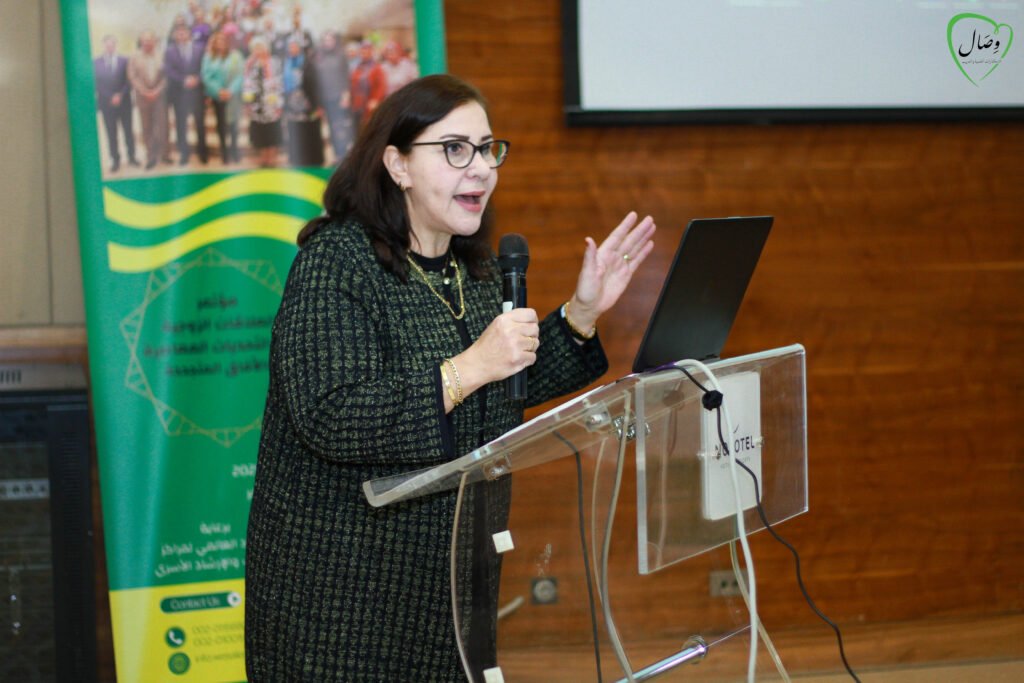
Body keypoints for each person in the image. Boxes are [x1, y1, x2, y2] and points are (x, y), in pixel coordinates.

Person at [244, 74, 656, 681]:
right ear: (398, 165)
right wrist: (471, 366)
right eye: (455, 149)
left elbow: (503, 389)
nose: (482, 168)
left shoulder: (473, 271)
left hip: (449, 592)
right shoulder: (336, 262)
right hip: (341, 599)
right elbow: (331, 416)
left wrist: (581, 315)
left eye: (487, 149)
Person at [165, 23, 209, 165]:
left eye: (184, 32)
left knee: (200, 124)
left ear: (189, 34)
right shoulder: (169, 51)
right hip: (179, 94)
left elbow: (205, 68)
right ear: (174, 35)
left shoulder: (200, 49)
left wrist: (197, 79)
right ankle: (184, 154)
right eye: (178, 33)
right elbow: (169, 70)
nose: (181, 35)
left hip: (197, 93)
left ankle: (203, 153)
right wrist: (184, 80)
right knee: (181, 125)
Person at [94, 35, 139, 173]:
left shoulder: (124, 61)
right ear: (103, 45)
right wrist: (110, 96)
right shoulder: (95, 63)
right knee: (111, 133)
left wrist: (120, 95)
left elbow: (130, 80)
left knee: (128, 131)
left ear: (115, 45)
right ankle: (115, 160)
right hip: (106, 104)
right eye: (107, 44)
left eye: (112, 44)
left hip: (124, 102)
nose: (110, 47)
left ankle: (132, 157)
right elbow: (96, 84)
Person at [201, 30, 245, 164]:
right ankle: (224, 152)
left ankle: (234, 151)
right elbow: (206, 76)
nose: (220, 43)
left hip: (233, 96)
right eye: (218, 41)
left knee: (234, 125)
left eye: (223, 40)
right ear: (214, 43)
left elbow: (240, 75)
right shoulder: (209, 57)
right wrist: (219, 91)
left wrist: (231, 91)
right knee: (221, 125)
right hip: (218, 96)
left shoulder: (235, 56)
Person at [128, 30, 168, 170]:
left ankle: (164, 154)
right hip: (142, 97)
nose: (147, 43)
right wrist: (144, 91)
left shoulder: (162, 55)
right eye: (145, 40)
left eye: (150, 40)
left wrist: (157, 90)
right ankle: (151, 156)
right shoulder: (134, 57)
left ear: (155, 41)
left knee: (162, 126)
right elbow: (132, 76)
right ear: (141, 42)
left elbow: (166, 75)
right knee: (147, 128)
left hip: (159, 97)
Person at [242, 36, 283, 167]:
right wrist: (247, 103)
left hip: (271, 103)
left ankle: (272, 158)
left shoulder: (274, 62)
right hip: (256, 104)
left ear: (266, 49)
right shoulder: (249, 63)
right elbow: (246, 83)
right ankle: (264, 158)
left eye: (260, 47)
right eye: (256, 48)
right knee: (260, 132)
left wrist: (278, 103)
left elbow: (279, 83)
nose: (258, 50)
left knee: (271, 131)